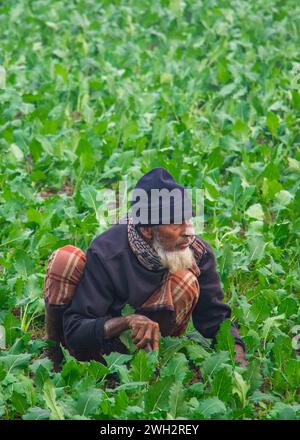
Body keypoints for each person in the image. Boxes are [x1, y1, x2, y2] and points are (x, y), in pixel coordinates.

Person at [44, 168, 246, 371]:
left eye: (189, 219)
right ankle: (55, 356)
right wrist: (127, 322)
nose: (188, 232)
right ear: (148, 230)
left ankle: (148, 364)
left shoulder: (197, 252)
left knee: (185, 281)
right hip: (97, 347)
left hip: (148, 349)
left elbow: (215, 317)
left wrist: (236, 353)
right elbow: (76, 330)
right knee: (66, 259)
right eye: (176, 223)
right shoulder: (107, 253)